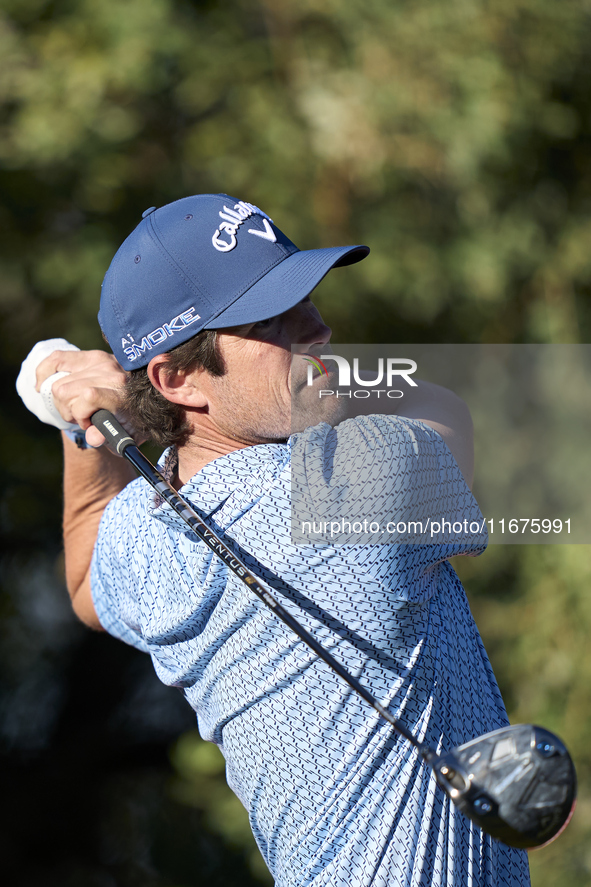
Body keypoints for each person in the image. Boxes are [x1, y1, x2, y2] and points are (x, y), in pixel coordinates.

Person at [25, 194, 530, 886]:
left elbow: (83, 577)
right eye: (272, 320)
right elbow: (443, 406)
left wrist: (71, 407)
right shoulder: (357, 481)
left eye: (307, 296)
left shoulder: (146, 530)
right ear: (177, 378)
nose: (318, 328)